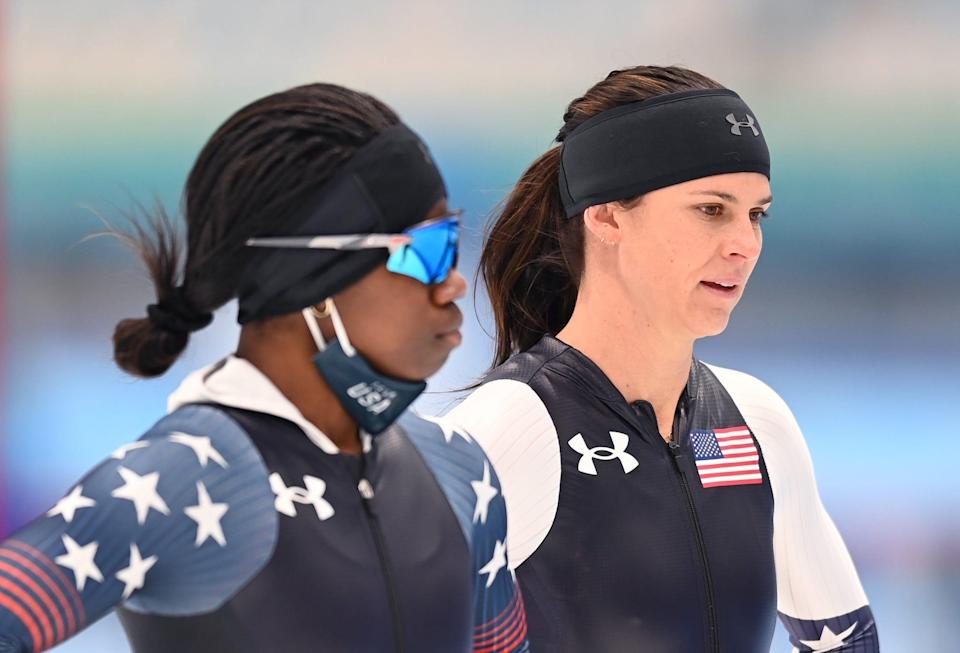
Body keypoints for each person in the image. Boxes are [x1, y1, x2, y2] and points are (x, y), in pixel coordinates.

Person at [0, 83, 528, 653]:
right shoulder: (185, 479)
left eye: (454, 241)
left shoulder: (458, 468)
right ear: (314, 282)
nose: (454, 280)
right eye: (426, 248)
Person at [446, 66, 878, 652]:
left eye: (757, 214)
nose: (744, 243)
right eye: (711, 209)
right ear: (606, 216)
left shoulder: (755, 422)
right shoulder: (512, 428)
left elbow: (846, 641)